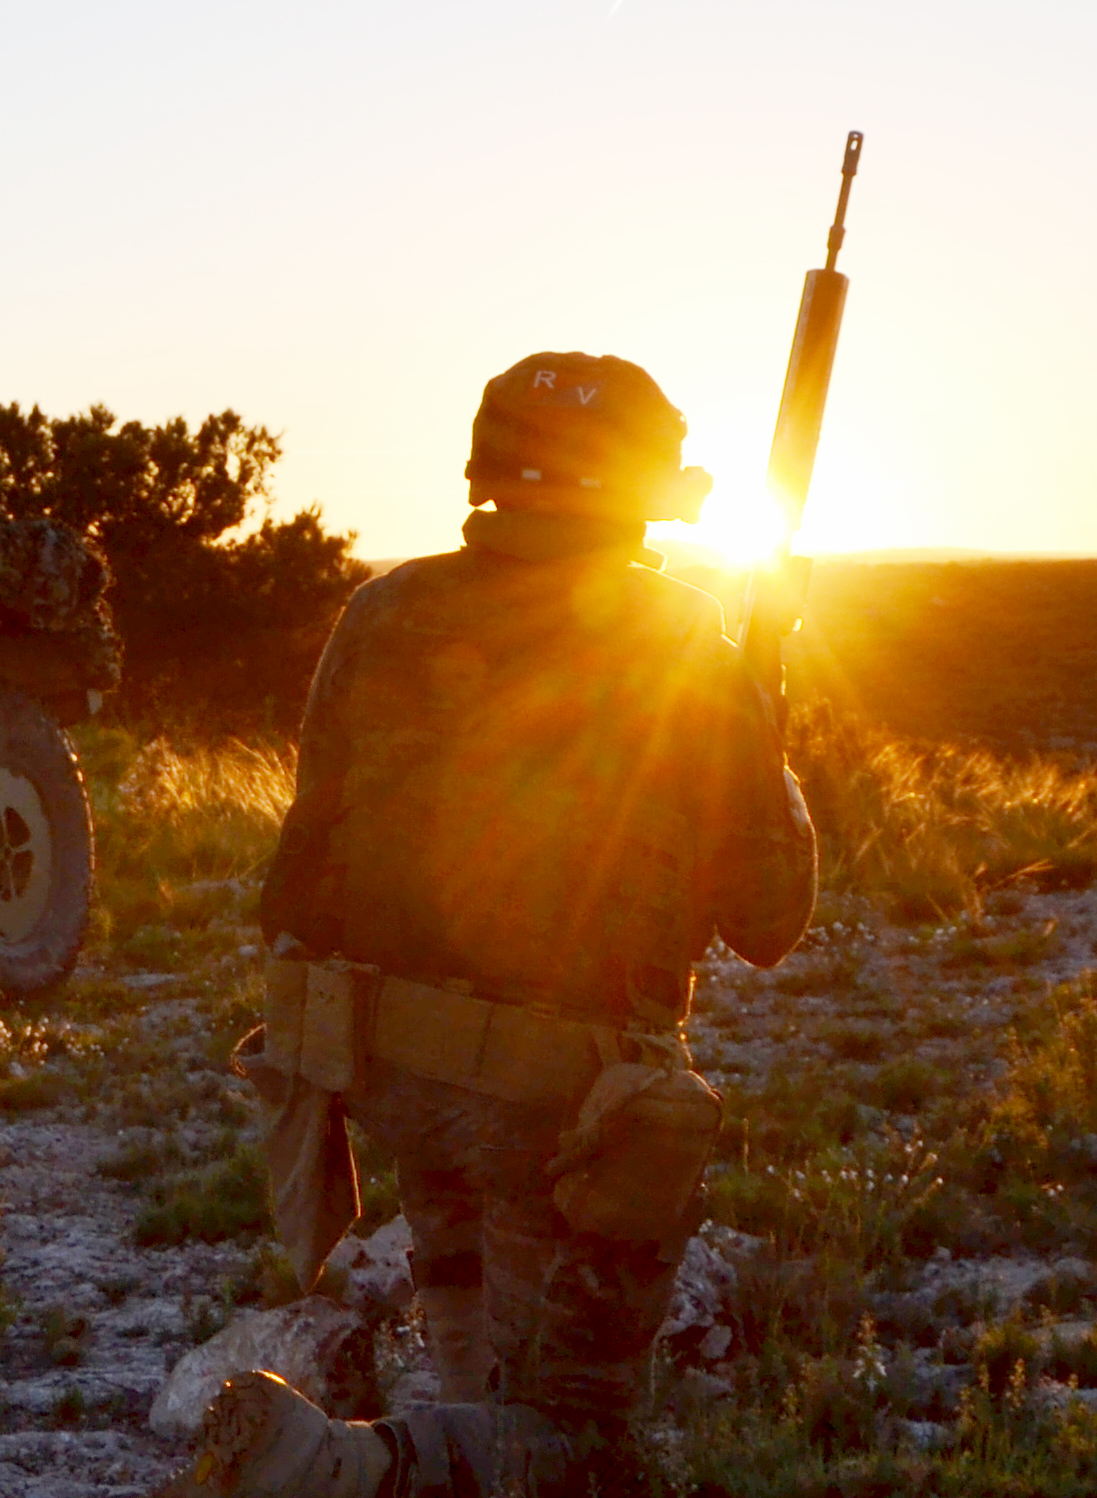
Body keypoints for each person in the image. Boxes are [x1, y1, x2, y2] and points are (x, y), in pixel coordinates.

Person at [162, 353, 820, 1498]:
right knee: (582, 1445)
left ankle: (450, 1440)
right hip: (557, 1106)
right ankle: (336, 1464)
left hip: (388, 1067)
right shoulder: (682, 641)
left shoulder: (380, 610)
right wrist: (764, 721)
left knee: (474, 1327)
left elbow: (302, 875)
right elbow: (768, 917)